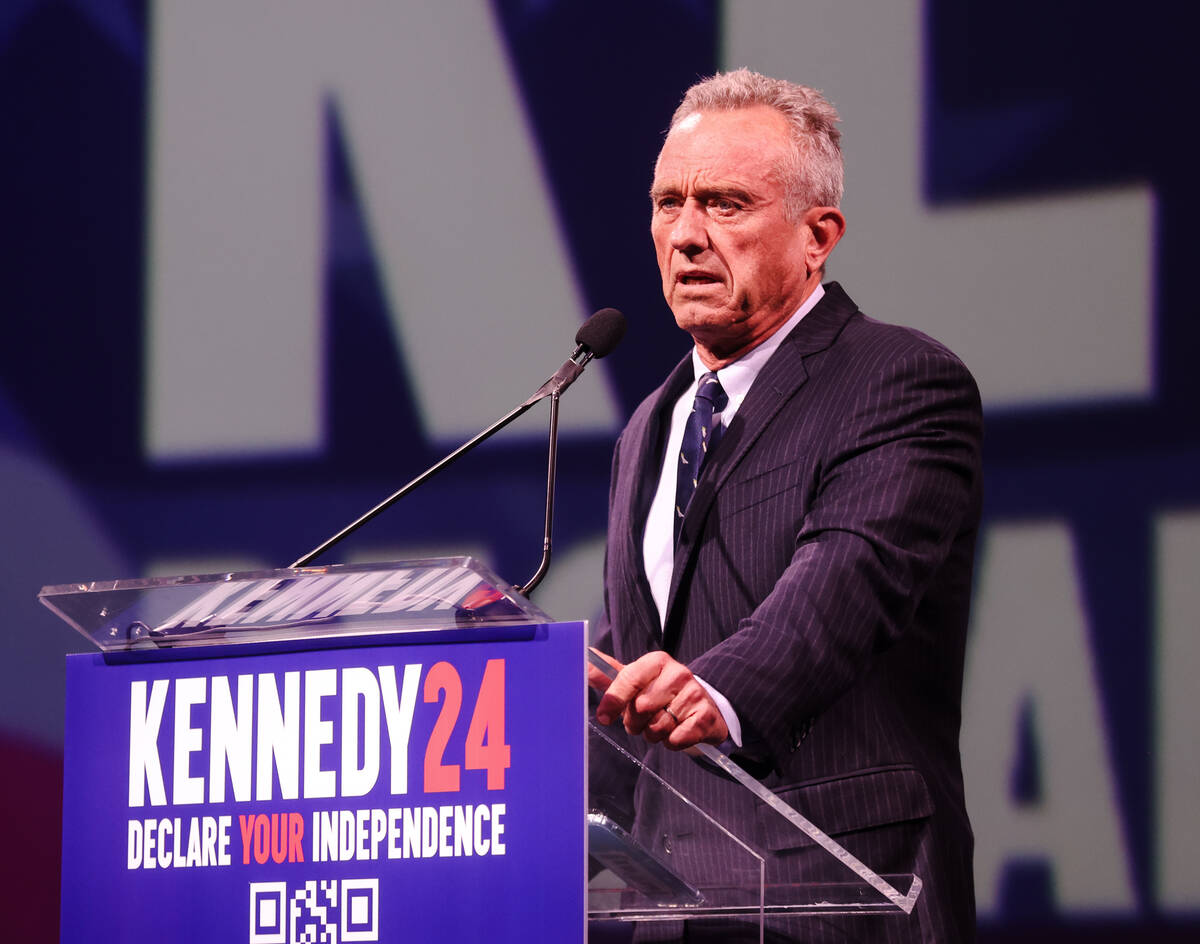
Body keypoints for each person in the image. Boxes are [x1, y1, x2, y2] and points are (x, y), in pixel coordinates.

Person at [588, 69, 982, 942]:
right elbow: (633, 659)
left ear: (818, 235)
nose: (686, 235)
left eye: (725, 204)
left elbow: (846, 581)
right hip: (668, 909)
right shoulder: (653, 424)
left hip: (836, 900)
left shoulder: (899, 382)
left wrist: (716, 689)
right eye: (669, 203)